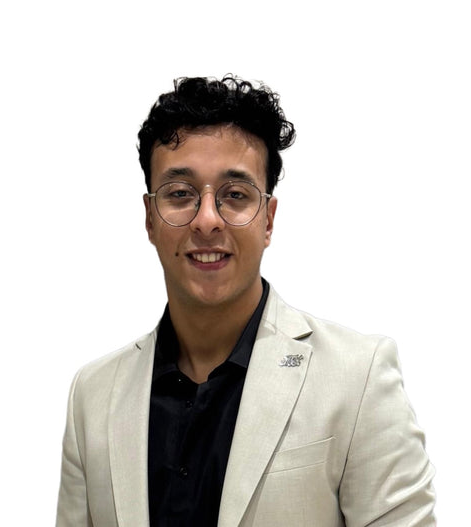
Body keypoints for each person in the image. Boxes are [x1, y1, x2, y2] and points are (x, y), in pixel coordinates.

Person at [56, 75, 436, 526]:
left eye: (235, 195)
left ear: (268, 220)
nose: (207, 220)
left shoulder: (358, 378)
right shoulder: (93, 395)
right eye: (180, 194)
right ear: (150, 219)